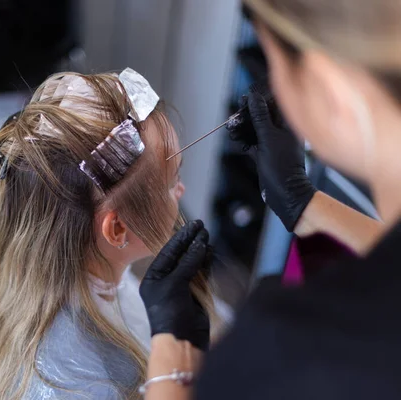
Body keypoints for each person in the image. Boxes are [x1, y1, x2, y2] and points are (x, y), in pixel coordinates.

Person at [139, 0, 401, 398]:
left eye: (274, 66)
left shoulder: (291, 354)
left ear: (331, 92)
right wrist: (302, 202)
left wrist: (169, 363)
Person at [0, 69, 222, 400]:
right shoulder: (86, 383)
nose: (181, 190)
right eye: (172, 182)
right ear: (117, 229)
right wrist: (180, 370)